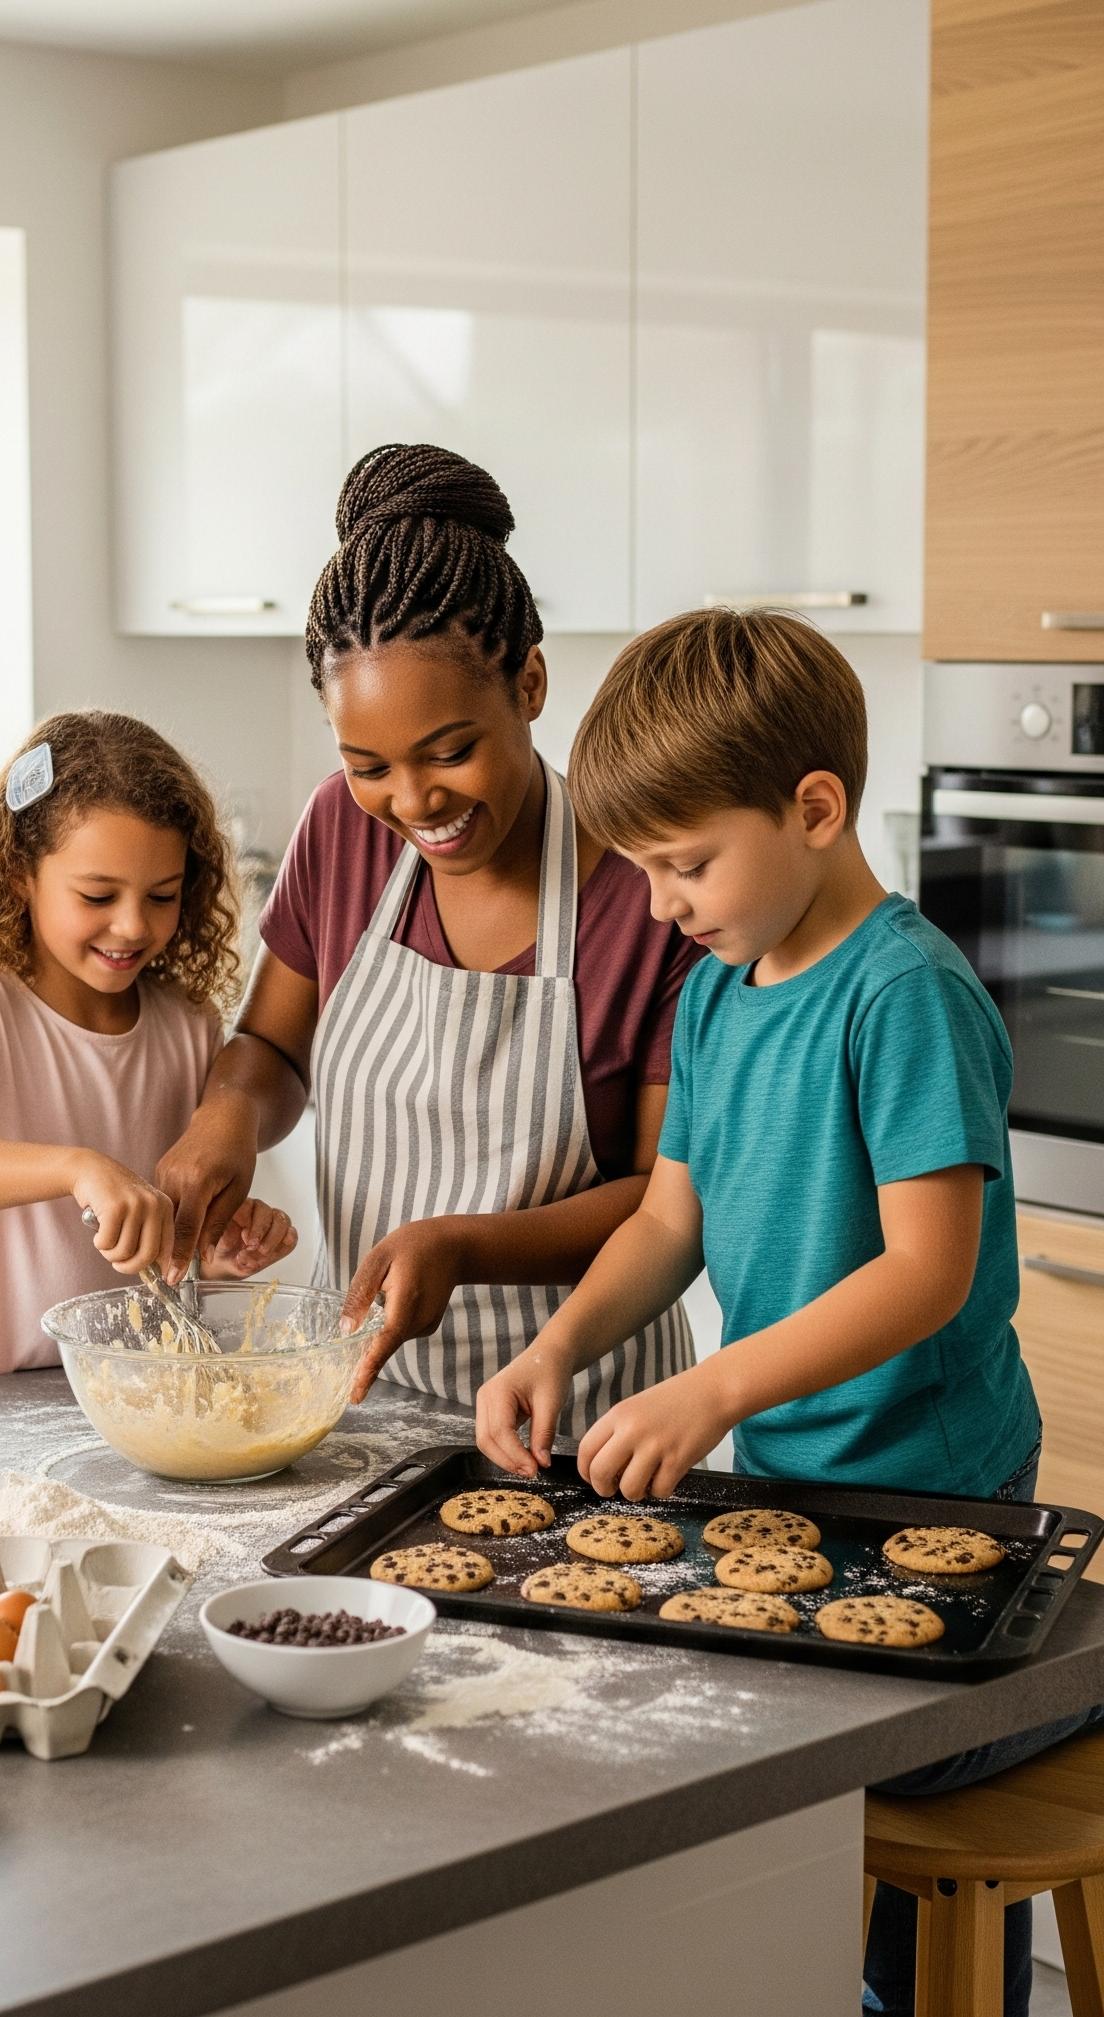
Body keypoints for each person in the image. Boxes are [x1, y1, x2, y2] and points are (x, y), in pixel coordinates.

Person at [472, 606, 1104, 2017]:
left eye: (688, 864)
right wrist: (560, 1346)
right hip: (790, 1468)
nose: (665, 903)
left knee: (906, 1751)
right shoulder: (711, 997)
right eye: (643, 872)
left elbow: (929, 1270)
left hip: (940, 1470)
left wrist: (715, 1387)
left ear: (814, 808)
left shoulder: (904, 992)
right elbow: (670, 1218)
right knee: (816, 1764)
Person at [159, 443, 700, 1431]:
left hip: (586, 1423)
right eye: (367, 762)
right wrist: (224, 1119)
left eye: (450, 751)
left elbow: (657, 1199)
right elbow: (273, 1047)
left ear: (529, 683)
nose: (412, 802)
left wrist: (464, 1246)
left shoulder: (648, 891)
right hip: (360, 1403)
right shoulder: (341, 830)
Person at [0, 711, 297, 1385]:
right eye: (98, 895)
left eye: (161, 896)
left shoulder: (187, 1024)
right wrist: (79, 1168)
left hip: (141, 1390)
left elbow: (160, 1245)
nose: (132, 925)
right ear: (20, 874)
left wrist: (211, 1250)